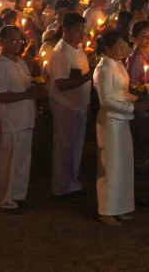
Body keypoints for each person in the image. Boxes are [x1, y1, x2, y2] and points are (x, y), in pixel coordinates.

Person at [93, 30, 149, 226]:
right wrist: (133, 106)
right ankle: (106, 210)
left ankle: (120, 207)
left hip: (123, 119)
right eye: (118, 45)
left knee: (123, 165)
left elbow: (122, 91)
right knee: (110, 166)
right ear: (107, 48)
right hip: (110, 122)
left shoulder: (117, 65)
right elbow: (106, 99)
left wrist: (140, 96)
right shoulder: (104, 69)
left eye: (122, 45)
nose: (121, 49)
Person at [0, 25, 47, 215]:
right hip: (10, 119)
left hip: (26, 117)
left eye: (19, 40)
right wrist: (27, 94)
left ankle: (19, 196)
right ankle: (6, 200)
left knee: (23, 159)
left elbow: (27, 86)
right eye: (11, 41)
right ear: (1, 42)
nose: (16, 44)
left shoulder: (20, 62)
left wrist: (37, 89)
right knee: (9, 160)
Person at [49, 13, 93, 201]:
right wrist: (89, 75)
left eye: (83, 30)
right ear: (65, 31)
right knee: (64, 147)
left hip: (78, 105)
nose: (82, 33)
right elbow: (61, 84)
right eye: (77, 30)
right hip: (64, 105)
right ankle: (60, 188)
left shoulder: (77, 48)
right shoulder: (62, 53)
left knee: (75, 147)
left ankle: (72, 184)